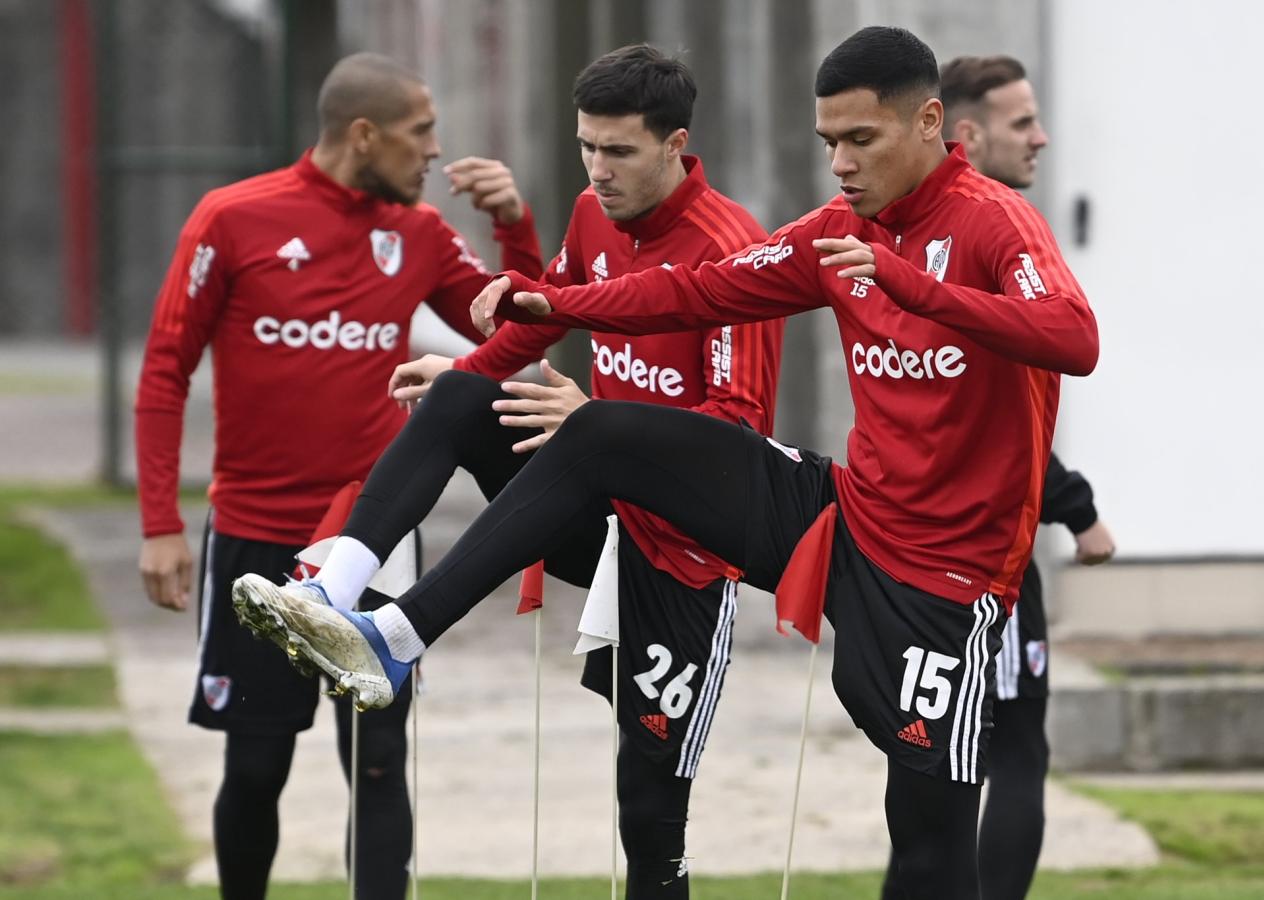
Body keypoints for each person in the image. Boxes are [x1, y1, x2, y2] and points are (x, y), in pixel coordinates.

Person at [234, 27, 1098, 900]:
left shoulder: (994, 222)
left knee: (927, 847)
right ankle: (390, 633)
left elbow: (1075, 336)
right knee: (596, 432)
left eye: (860, 140)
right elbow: (700, 288)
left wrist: (910, 286)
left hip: (945, 582)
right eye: (827, 141)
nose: (839, 163)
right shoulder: (838, 228)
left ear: (930, 124)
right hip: (843, 516)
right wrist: (555, 302)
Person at [235, 44, 781, 898]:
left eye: (621, 152)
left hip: (683, 544)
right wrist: (473, 371)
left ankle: (392, 634)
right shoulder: (593, 215)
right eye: (587, 148)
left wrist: (604, 427)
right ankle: (338, 596)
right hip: (597, 513)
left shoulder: (732, 249)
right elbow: (535, 320)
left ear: (678, 144)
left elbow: (741, 436)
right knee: (456, 398)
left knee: (647, 816)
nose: (598, 171)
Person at [134, 52, 542, 900]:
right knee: (255, 764)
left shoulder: (422, 235)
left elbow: (524, 327)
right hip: (251, 535)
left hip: (376, 540)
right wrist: (159, 525)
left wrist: (515, 227)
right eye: (420, 131)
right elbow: (166, 367)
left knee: (383, 764)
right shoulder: (232, 218)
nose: (434, 151)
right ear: (365, 134)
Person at [878, 54, 1118, 900]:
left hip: (918, 558)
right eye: (1024, 122)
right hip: (981, 563)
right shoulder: (983, 230)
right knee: (1003, 754)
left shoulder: (934, 231)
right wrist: (1079, 510)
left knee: (934, 765)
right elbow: (992, 432)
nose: (1043, 137)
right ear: (966, 133)